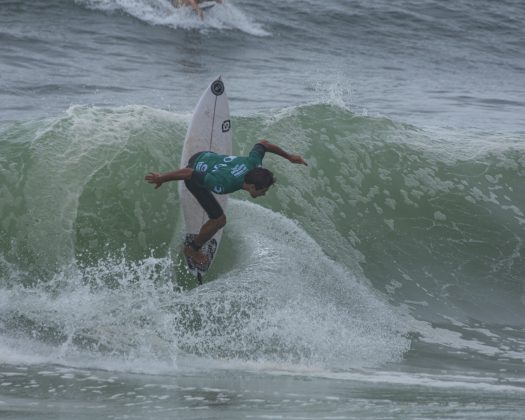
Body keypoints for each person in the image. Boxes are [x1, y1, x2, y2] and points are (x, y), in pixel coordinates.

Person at [145, 139, 307, 264]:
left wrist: (289, 157)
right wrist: (161, 178)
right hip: (195, 169)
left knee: (213, 193)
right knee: (219, 220)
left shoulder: (254, 164)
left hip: (204, 154)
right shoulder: (223, 184)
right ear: (251, 186)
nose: (264, 194)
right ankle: (192, 249)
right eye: (262, 191)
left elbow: (262, 144)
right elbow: (189, 173)